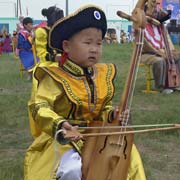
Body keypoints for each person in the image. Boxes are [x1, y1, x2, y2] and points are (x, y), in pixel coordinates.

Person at [24, 5, 146, 180]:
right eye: (87, 42)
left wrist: (113, 115)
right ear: (66, 46)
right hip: (66, 138)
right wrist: (60, 125)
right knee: (72, 169)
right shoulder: (55, 76)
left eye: (98, 43)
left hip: (99, 137)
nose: (94, 49)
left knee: (129, 159)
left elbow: (103, 108)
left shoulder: (102, 74)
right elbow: (39, 106)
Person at [141, 1, 180, 94]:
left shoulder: (160, 25)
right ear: (145, 12)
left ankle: (175, 83)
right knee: (160, 60)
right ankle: (160, 87)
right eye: (153, 11)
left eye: (156, 11)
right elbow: (146, 46)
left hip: (163, 51)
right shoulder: (141, 25)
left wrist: (171, 51)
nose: (155, 13)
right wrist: (160, 53)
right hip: (148, 54)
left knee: (177, 57)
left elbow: (168, 40)